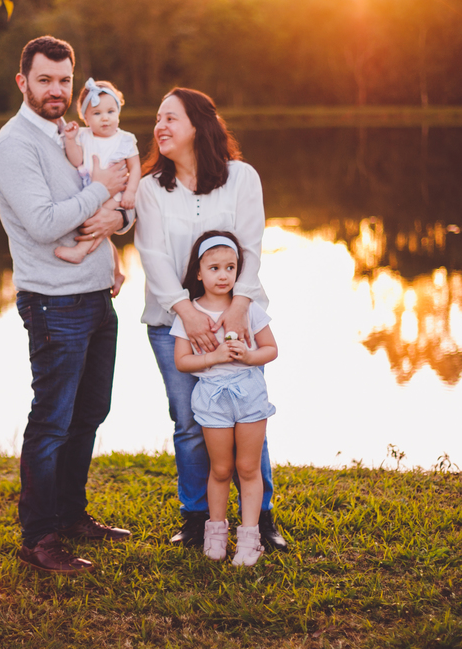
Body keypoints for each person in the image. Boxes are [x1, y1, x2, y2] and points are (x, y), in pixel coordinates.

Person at [0, 36, 135, 574]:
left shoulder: (74, 133)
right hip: (54, 304)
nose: (56, 90)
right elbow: (47, 223)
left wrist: (118, 217)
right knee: (51, 421)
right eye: (45, 79)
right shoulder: (13, 146)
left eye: (65, 80)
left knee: (90, 412)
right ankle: (39, 538)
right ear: (23, 81)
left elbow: (122, 200)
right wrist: (99, 192)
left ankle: (72, 516)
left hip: (97, 297)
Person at [134, 87, 288, 552]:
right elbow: (153, 254)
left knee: (248, 415)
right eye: (157, 119)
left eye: (170, 118)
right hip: (172, 323)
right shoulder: (149, 188)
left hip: (236, 317)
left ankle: (259, 522)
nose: (159, 126)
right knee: (189, 421)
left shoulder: (241, 178)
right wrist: (186, 310)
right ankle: (198, 518)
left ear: (199, 126)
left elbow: (252, 244)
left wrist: (240, 306)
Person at [172, 230, 278, 566]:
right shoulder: (190, 314)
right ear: (199, 273)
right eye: (214, 268)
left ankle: (250, 539)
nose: (223, 275)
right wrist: (214, 358)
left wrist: (248, 357)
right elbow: (182, 361)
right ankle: (214, 535)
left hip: (248, 396)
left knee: (248, 467)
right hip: (211, 400)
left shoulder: (248, 309)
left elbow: (271, 349)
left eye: (230, 268)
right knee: (220, 469)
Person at [55, 78, 140, 297]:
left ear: (118, 113)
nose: (105, 118)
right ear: (85, 117)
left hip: (117, 194)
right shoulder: (84, 136)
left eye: (111, 112)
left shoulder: (125, 139)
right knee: (102, 230)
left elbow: (135, 168)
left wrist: (130, 192)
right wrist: (71, 140)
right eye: (97, 114)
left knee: (97, 220)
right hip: (91, 190)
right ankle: (117, 271)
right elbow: (76, 160)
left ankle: (80, 251)